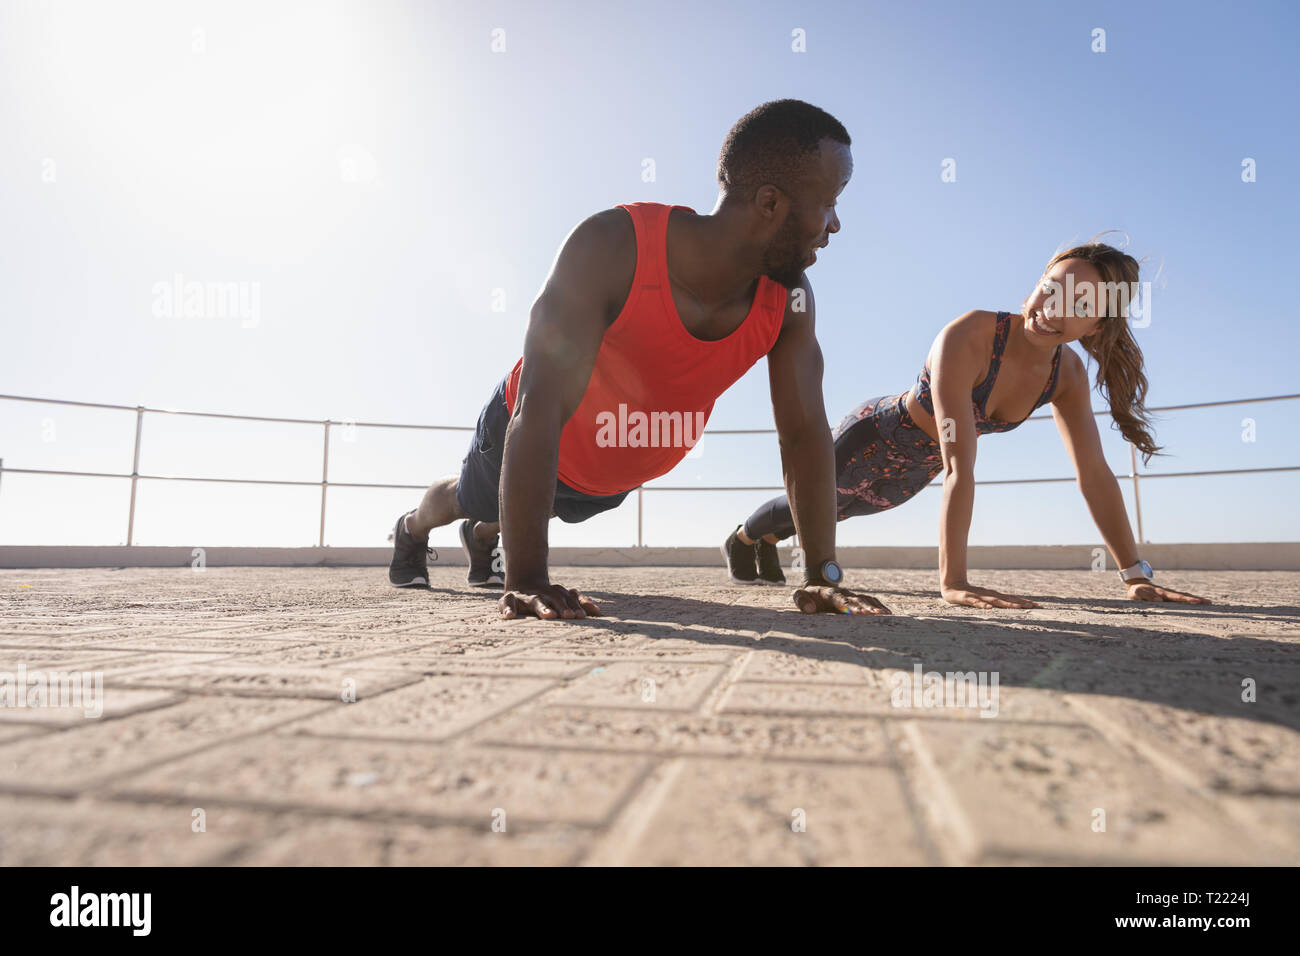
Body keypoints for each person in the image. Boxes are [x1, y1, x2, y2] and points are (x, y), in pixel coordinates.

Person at [388, 99, 892, 620]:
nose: (835, 225)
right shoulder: (610, 247)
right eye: (829, 203)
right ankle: (413, 528)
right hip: (526, 441)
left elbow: (805, 432)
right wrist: (528, 579)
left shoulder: (789, 301)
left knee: (526, 510)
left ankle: (490, 533)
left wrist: (821, 573)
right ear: (769, 203)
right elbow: (538, 411)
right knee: (462, 500)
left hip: (612, 472)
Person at [723, 241, 1211, 608]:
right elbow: (962, 464)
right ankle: (744, 538)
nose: (1053, 310)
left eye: (1081, 307)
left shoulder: (1068, 374)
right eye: (1051, 289)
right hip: (876, 436)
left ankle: (768, 540)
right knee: (816, 504)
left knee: (842, 512)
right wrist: (953, 583)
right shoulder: (971, 335)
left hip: (919, 468)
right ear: (1038, 283)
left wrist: (1134, 573)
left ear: (1097, 328)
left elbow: (1094, 472)